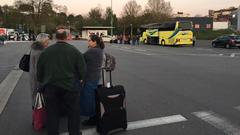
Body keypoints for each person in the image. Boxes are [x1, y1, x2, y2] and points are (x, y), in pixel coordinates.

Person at [37, 27, 86, 135]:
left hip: (50, 87)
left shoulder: (46, 52)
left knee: (52, 114)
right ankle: (74, 132)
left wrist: (42, 81)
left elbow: (39, 71)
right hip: (70, 87)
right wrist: (81, 80)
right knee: (73, 113)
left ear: (55, 37)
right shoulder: (74, 51)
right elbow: (82, 70)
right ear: (66, 37)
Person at [80, 34, 104, 126]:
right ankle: (94, 116)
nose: (88, 42)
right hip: (95, 77)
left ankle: (93, 118)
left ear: (94, 42)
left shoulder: (93, 51)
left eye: (89, 40)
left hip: (90, 78)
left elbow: (80, 58)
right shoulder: (98, 50)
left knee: (89, 98)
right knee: (92, 97)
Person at [29, 33, 49, 107]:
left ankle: (36, 112)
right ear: (42, 41)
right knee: (39, 98)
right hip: (37, 79)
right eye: (47, 41)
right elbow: (39, 68)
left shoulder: (34, 49)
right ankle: (39, 114)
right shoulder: (39, 52)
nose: (48, 43)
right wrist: (40, 83)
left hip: (33, 76)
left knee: (35, 96)